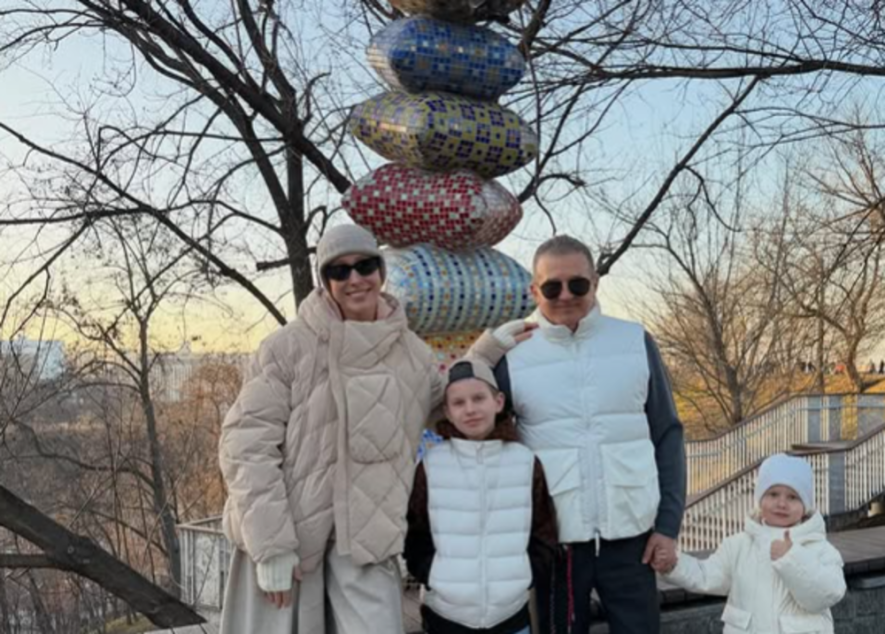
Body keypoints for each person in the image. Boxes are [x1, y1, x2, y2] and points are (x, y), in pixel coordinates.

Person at [218, 224, 532, 634]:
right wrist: (271, 544)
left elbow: (446, 404)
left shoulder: (412, 353)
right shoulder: (287, 347)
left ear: (381, 271)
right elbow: (245, 444)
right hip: (291, 544)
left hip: (367, 545)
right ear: (325, 281)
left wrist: (484, 354)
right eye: (339, 270)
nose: (354, 279)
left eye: (365, 265)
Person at [493, 235, 686, 633]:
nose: (565, 295)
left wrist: (667, 526)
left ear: (595, 283)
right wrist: (481, 353)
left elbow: (667, 435)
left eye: (578, 284)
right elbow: (476, 431)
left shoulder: (634, 341)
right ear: (534, 291)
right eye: (552, 287)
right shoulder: (512, 355)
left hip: (632, 537)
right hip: (555, 544)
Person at [404, 359, 559, 634]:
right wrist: (432, 574)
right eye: (459, 403)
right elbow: (415, 532)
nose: (470, 409)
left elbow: (544, 530)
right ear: (447, 412)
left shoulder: (525, 461)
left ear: (498, 402)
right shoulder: (430, 465)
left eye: (478, 398)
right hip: (446, 615)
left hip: (510, 614)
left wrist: (526, 576)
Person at [663, 454, 846, 633]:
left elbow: (826, 594)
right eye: (773, 494)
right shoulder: (738, 546)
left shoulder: (819, 548)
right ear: (760, 499)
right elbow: (706, 576)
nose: (782, 503)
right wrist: (674, 564)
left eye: (792, 497)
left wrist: (792, 558)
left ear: (805, 506)